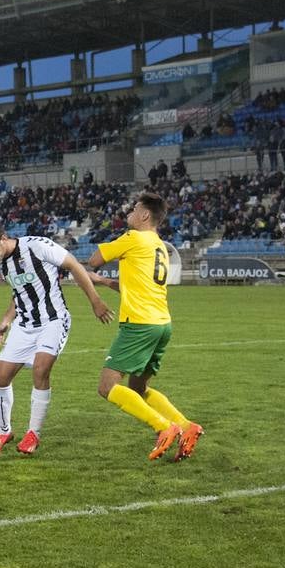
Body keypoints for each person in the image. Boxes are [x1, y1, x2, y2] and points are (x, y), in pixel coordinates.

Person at [0, 220, 114, 455]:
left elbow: (74, 266)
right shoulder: (4, 264)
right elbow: (20, 295)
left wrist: (95, 301)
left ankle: (32, 435)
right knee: (0, 377)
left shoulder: (37, 246)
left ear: (3, 238)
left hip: (53, 321)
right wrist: (6, 321)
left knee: (40, 370)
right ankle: (3, 431)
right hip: (24, 325)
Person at [88, 193, 205, 461]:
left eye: (134, 209)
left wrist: (102, 266)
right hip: (162, 324)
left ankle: (164, 427)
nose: (129, 212)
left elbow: (94, 260)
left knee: (107, 387)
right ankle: (187, 427)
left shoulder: (133, 238)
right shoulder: (159, 245)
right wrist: (106, 283)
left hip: (139, 325)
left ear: (143, 216)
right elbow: (138, 286)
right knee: (138, 388)